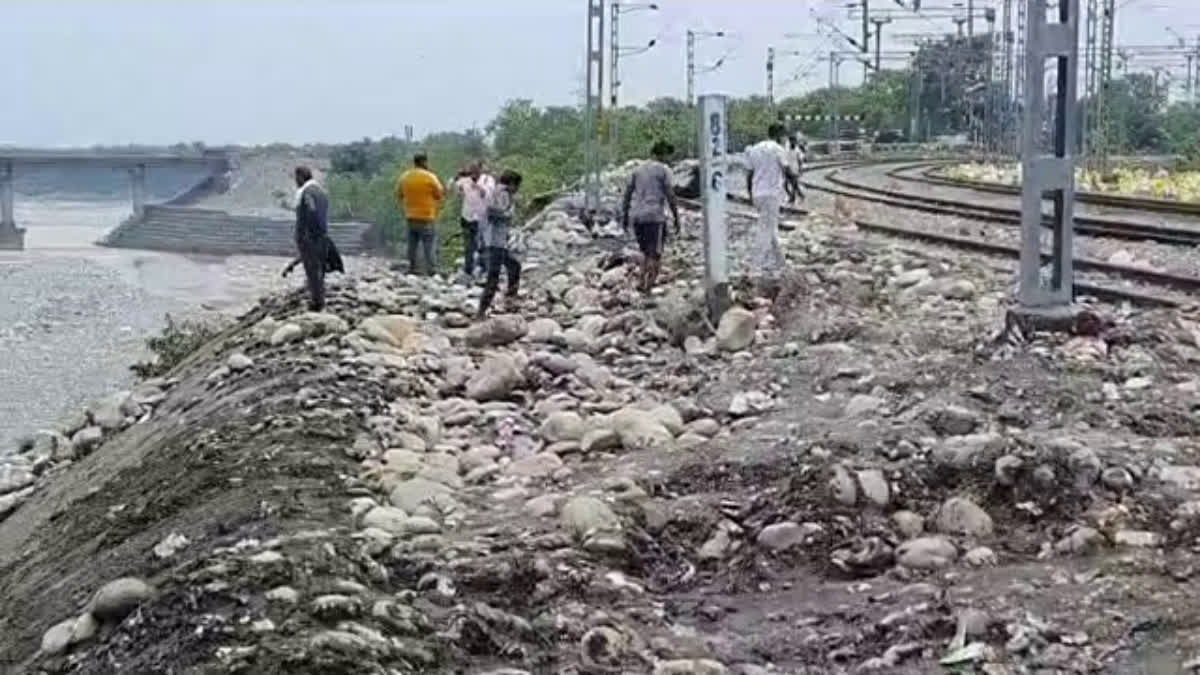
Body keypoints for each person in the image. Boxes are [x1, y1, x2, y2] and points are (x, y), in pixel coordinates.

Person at [622, 140, 680, 294]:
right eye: (668, 155)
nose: (669, 159)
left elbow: (627, 195)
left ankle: (641, 281)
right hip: (655, 217)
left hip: (638, 217)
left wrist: (625, 217)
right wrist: (676, 217)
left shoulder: (637, 170)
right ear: (663, 154)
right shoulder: (664, 170)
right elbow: (670, 195)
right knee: (655, 254)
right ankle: (647, 288)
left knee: (646, 252)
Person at [744, 123, 798, 278]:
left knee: (769, 227)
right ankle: (756, 267)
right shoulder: (778, 149)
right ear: (779, 134)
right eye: (784, 134)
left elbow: (749, 174)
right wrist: (794, 190)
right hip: (771, 194)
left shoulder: (754, 149)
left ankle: (780, 262)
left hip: (757, 193)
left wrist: (750, 194)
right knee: (766, 230)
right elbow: (787, 171)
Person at [290, 166, 340, 311]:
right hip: (321, 235)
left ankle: (317, 302)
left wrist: (306, 234)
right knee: (319, 269)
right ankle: (318, 298)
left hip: (310, 237)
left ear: (300, 177)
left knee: (312, 270)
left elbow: (311, 212)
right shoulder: (321, 192)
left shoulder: (307, 193)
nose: (295, 182)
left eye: (296, 178)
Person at [476, 170, 523, 319]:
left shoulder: (498, 192)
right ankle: (482, 311)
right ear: (511, 184)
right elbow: (493, 211)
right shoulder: (501, 193)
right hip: (494, 242)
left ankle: (510, 298)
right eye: (517, 186)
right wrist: (508, 214)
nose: (517, 189)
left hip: (496, 241)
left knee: (514, 265)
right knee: (493, 277)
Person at [395, 152, 444, 275]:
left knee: (412, 245)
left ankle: (412, 268)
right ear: (424, 162)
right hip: (427, 216)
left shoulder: (404, 177)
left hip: (410, 215)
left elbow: (399, 194)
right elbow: (439, 194)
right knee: (429, 245)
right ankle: (432, 270)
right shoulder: (430, 177)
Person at [449, 161, 494, 281]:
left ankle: (485, 269)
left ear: (480, 170)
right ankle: (468, 269)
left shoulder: (487, 180)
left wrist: (477, 186)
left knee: (483, 244)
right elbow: (452, 189)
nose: (473, 174)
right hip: (467, 215)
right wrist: (456, 177)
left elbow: (489, 195)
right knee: (468, 245)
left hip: (482, 216)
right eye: (471, 171)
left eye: (475, 171)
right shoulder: (465, 180)